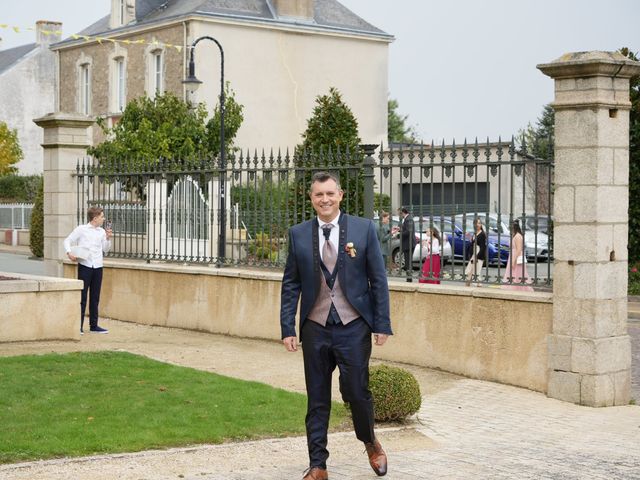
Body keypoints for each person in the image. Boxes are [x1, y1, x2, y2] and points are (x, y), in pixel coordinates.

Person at [280, 171, 392, 480]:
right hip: (315, 327)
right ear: (311, 199)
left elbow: (378, 281)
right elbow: (291, 283)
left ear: (340, 195)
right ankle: (318, 465)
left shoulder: (364, 229)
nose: (325, 199)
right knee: (317, 398)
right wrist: (288, 326)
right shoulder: (298, 234)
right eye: (319, 195)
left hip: (353, 326)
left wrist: (381, 323)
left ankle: (370, 441)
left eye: (330, 193)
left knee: (357, 391)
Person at [63, 206, 112, 334]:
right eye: (102, 216)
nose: (103, 218)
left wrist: (108, 238)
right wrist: (69, 253)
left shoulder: (101, 232)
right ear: (95, 218)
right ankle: (78, 326)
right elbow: (67, 240)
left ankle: (94, 326)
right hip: (85, 266)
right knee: (82, 297)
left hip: (98, 267)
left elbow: (106, 249)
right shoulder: (81, 229)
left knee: (95, 297)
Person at [502, 220, 533, 291]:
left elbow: (519, 249)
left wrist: (514, 260)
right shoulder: (515, 235)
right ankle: (514, 287)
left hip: (516, 257)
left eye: (511, 227)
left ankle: (519, 288)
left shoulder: (518, 236)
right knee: (513, 273)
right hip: (513, 255)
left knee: (518, 273)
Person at [465, 217, 486, 286]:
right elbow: (473, 243)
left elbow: (483, 247)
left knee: (476, 271)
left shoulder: (482, 234)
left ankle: (478, 286)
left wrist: (477, 256)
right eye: (477, 223)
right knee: (470, 270)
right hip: (473, 254)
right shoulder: (475, 233)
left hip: (478, 254)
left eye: (479, 223)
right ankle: (467, 285)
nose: (478, 224)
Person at [399, 206, 415, 282]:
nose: (400, 215)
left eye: (400, 213)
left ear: (403, 212)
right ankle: (409, 277)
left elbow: (408, 231)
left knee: (408, 261)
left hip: (408, 243)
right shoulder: (408, 218)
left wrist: (399, 234)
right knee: (408, 261)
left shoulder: (408, 219)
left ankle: (409, 278)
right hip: (408, 243)